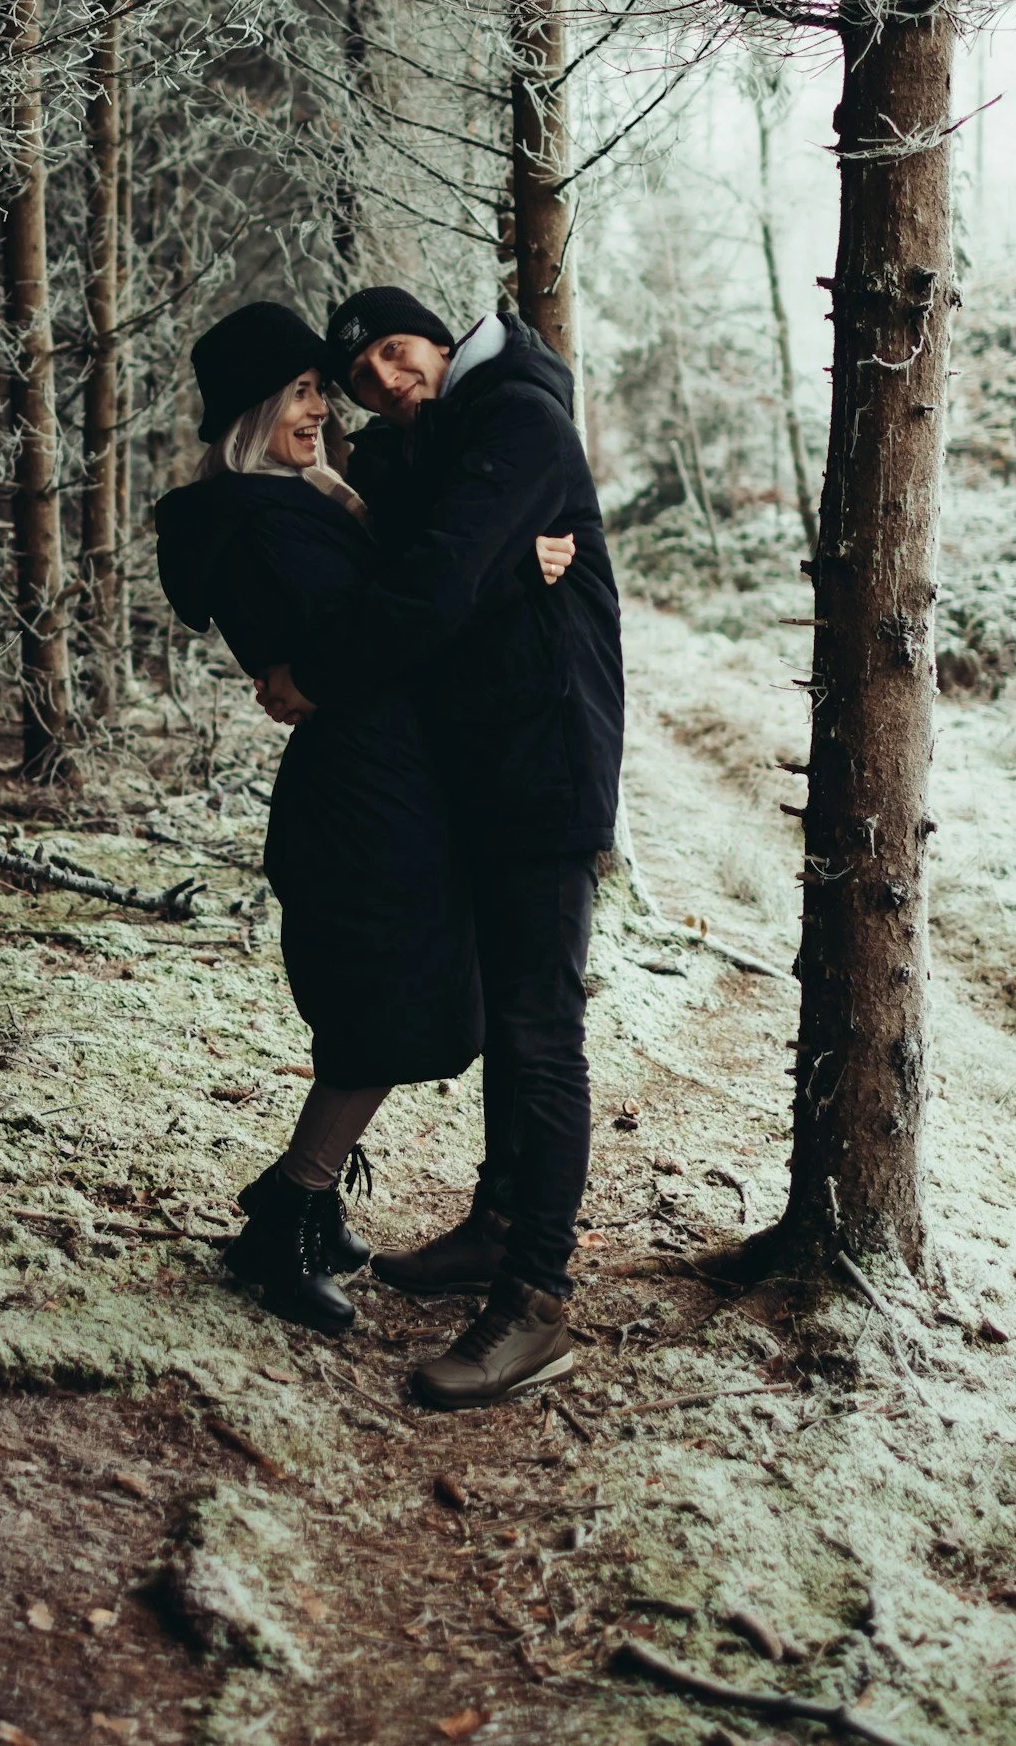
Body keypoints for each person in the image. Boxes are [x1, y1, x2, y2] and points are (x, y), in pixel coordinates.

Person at [154, 300, 574, 1337]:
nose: (318, 415)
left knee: (396, 998)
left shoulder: (299, 500)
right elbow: (375, 632)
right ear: (252, 413)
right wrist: (510, 572)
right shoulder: (254, 520)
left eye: (316, 393)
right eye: (298, 395)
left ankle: (299, 1193)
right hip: (362, 785)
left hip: (389, 774)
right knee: (384, 1008)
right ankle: (286, 1214)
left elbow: (395, 592)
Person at [258, 286, 624, 1408]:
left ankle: (536, 1299)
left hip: (546, 762)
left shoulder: (518, 419)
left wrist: (311, 678)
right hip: (480, 762)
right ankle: (496, 1222)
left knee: (540, 1029)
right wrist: (513, 564)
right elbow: (412, 554)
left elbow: (434, 578)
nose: (386, 384)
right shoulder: (437, 438)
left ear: (441, 337)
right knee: (511, 1016)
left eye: (397, 356)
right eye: (361, 378)